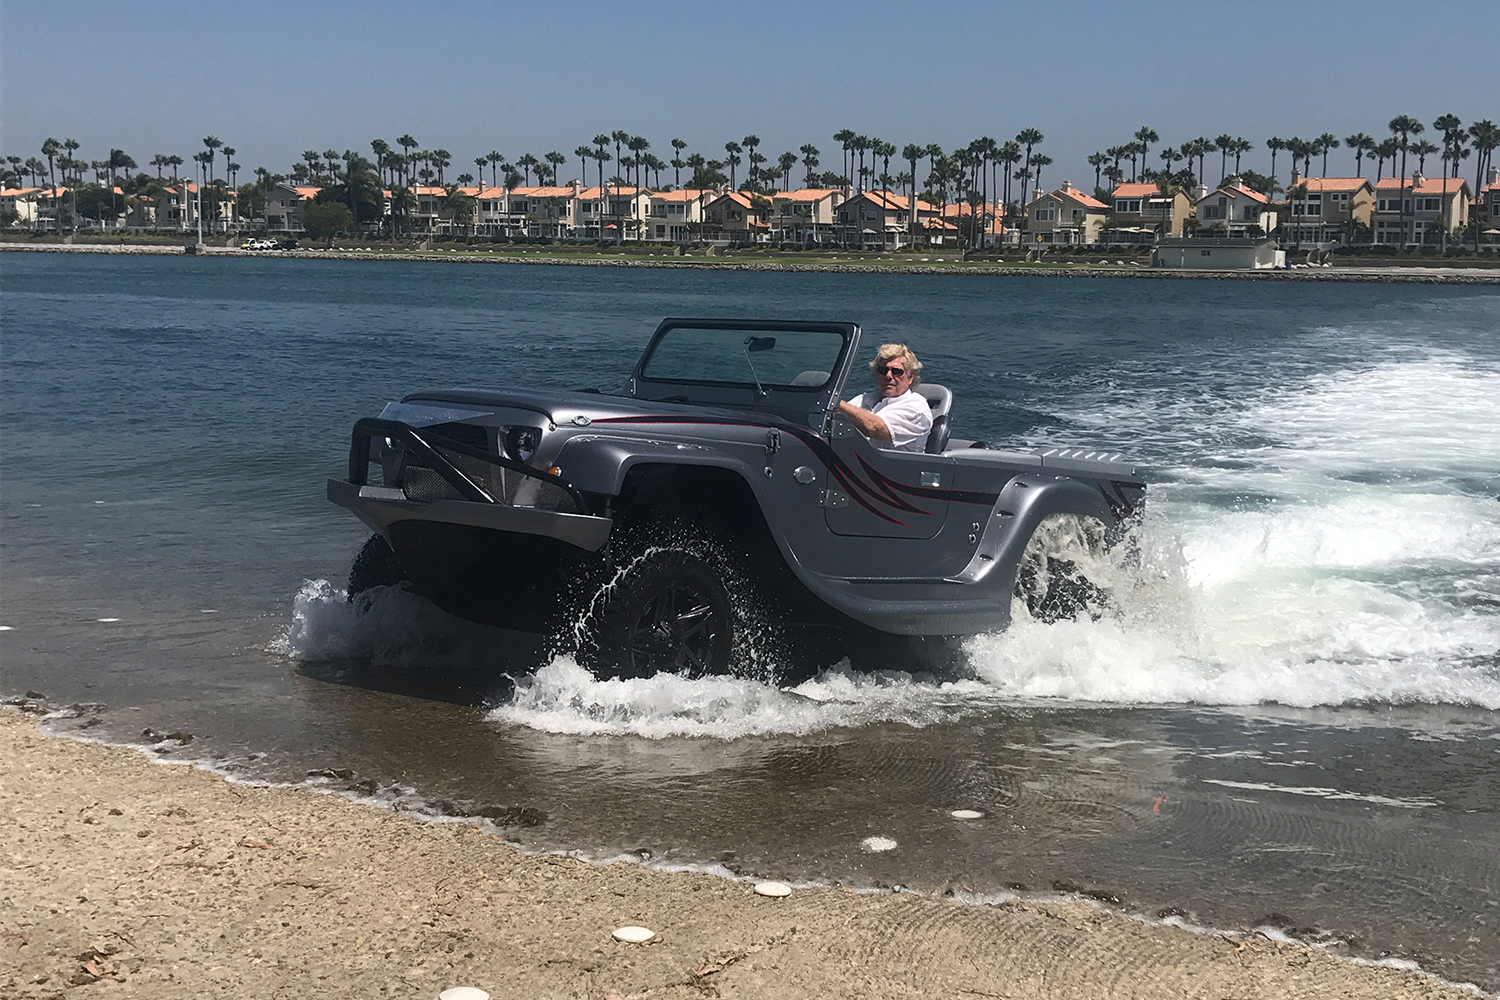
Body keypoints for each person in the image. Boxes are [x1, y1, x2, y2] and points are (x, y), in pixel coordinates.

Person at [836, 343, 933, 452]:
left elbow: (874, 428)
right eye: (883, 370)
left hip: (893, 468)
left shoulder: (916, 408)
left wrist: (835, 403)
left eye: (896, 371)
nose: (888, 376)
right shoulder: (865, 399)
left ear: (910, 377)